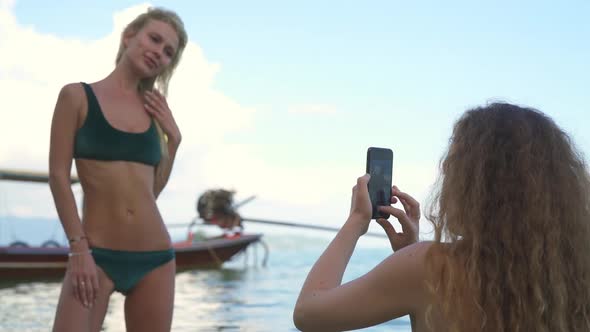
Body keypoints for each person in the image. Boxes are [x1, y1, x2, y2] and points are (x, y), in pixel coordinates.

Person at [293, 103, 590, 331]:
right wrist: (410, 251)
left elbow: (309, 313)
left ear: (472, 187)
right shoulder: (575, 273)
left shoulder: (431, 270)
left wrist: (357, 221)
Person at [48, 7, 187, 332]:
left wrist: (175, 141)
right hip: (94, 255)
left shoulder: (154, 111)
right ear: (129, 36)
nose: (159, 53)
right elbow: (58, 176)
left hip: (155, 259)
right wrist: (78, 249)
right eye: (154, 39)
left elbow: (150, 193)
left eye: (169, 52)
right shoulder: (77, 96)